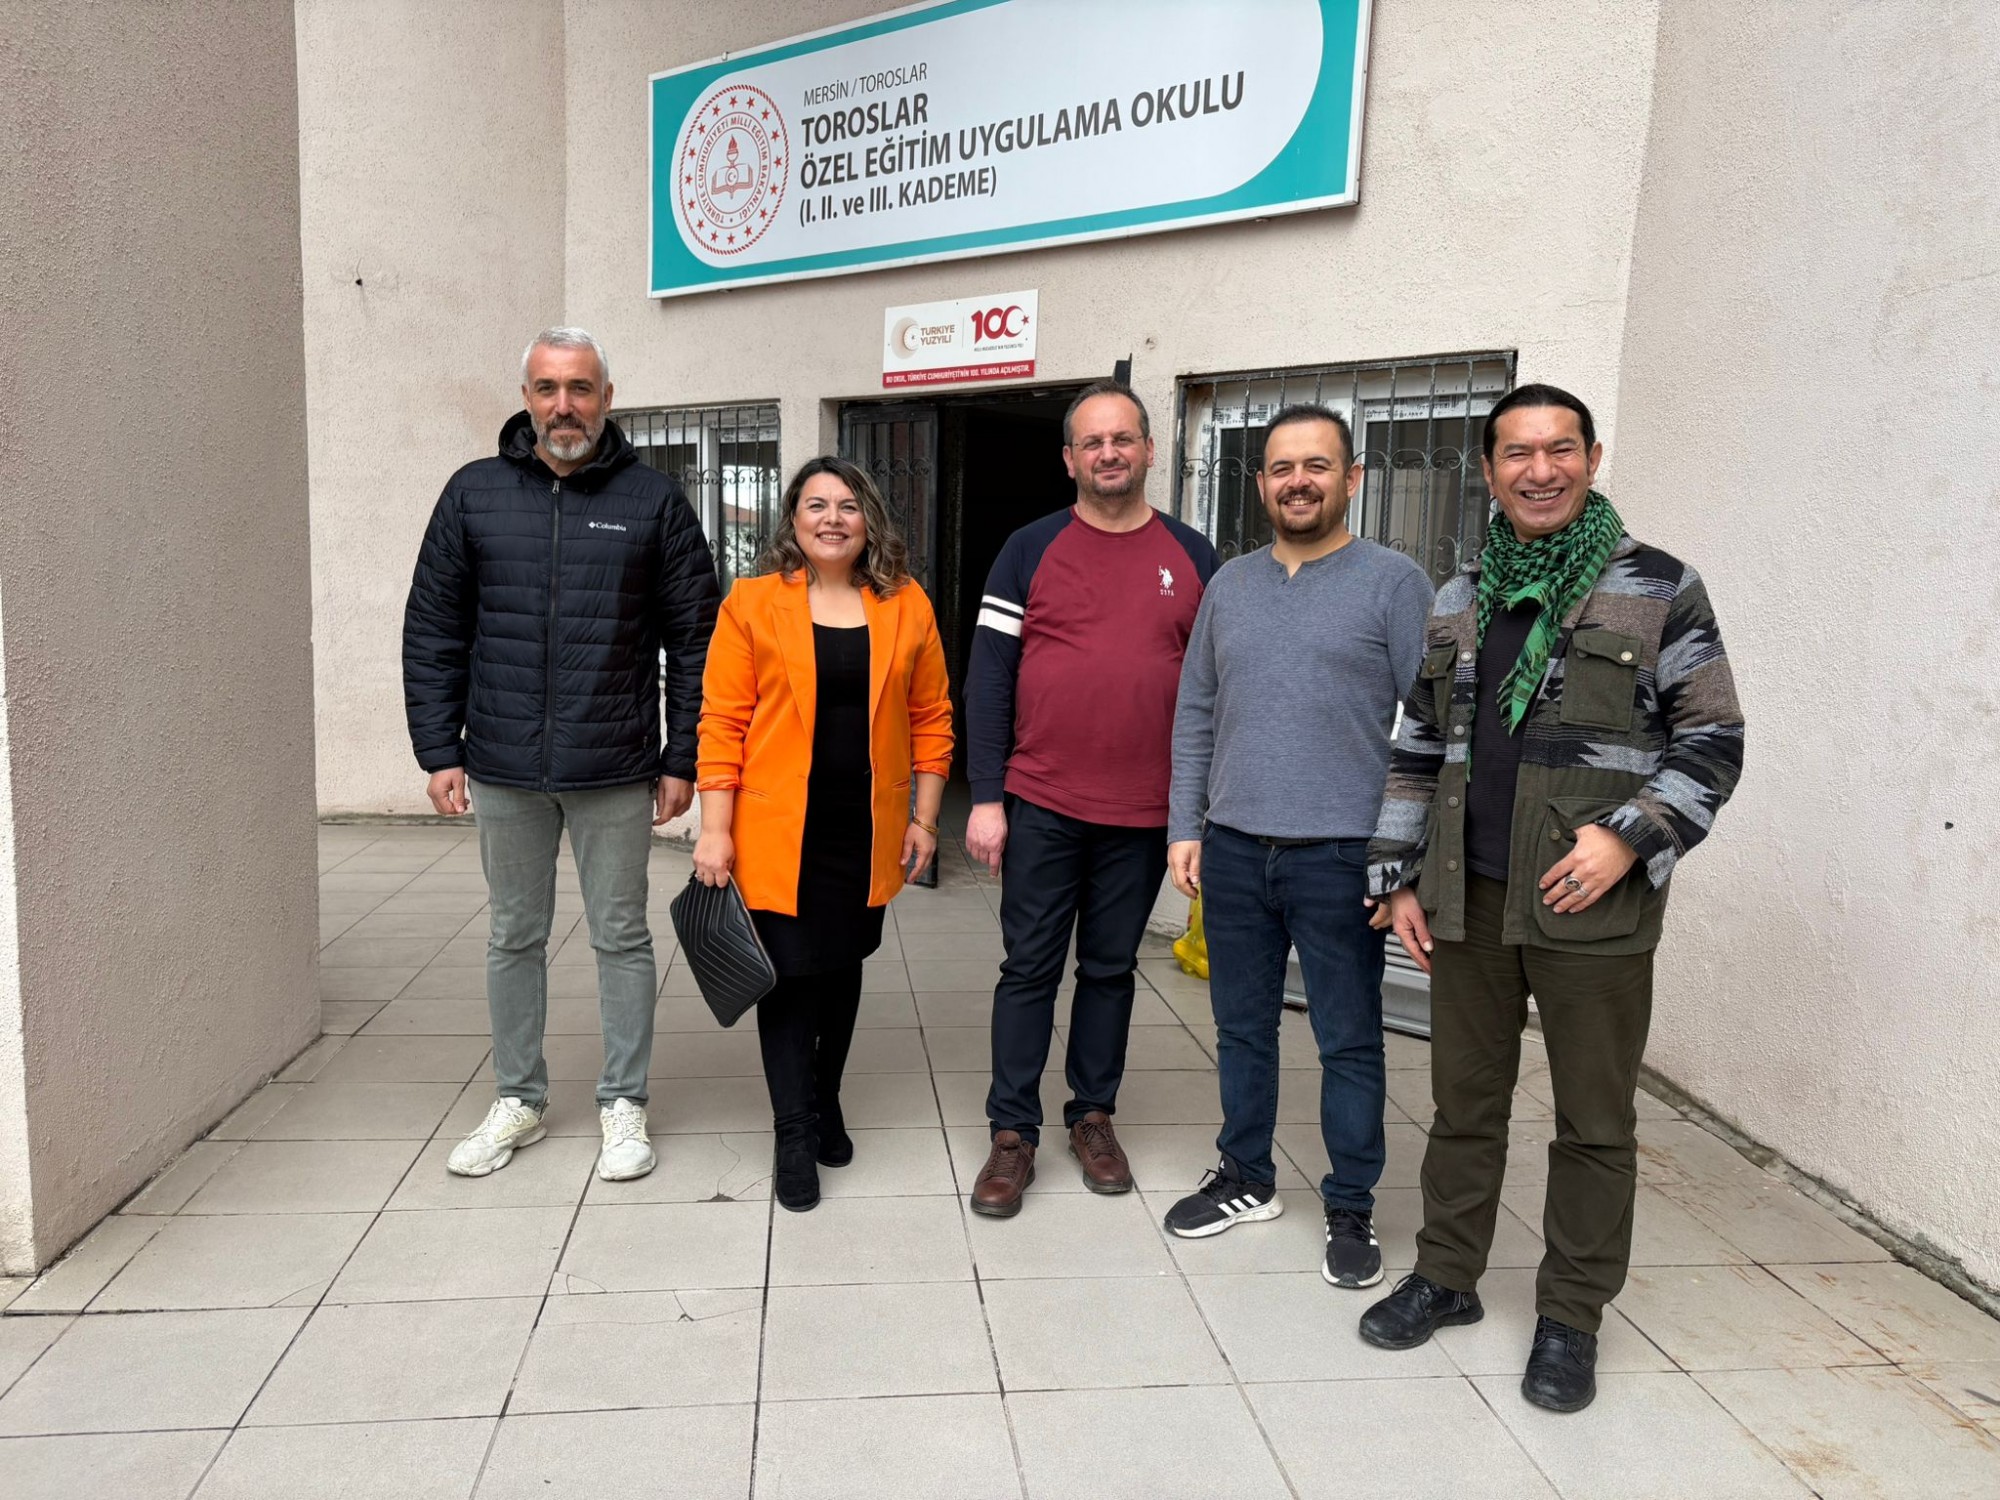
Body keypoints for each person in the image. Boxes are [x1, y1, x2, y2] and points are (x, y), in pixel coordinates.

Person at [1357, 384, 1744, 1413]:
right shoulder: (1460, 594)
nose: (1540, 471)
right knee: (1463, 1107)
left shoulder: (1658, 586)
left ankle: (1571, 1316)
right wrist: (1396, 875)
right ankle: (1447, 1276)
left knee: (1593, 1122)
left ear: (1591, 457)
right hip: (1467, 899)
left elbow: (1713, 739)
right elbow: (1417, 745)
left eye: (1560, 449)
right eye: (1517, 454)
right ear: (1488, 471)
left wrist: (1630, 837)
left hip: (1591, 905)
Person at [404, 326, 719, 1182]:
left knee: (621, 936)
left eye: (580, 388)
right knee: (513, 935)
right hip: (502, 764)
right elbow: (434, 628)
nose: (564, 405)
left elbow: (698, 638)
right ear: (526, 398)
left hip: (614, 764)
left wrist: (681, 756)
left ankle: (624, 1102)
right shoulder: (473, 494)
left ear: (607, 398)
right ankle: (520, 1097)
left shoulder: (653, 501)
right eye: (547, 388)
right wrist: (438, 748)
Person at [1162, 404, 1433, 1288]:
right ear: (1261, 483)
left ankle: (1351, 1205)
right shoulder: (1230, 585)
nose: (1299, 482)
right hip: (1236, 849)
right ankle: (1246, 1176)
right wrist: (1187, 825)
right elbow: (1196, 710)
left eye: (1317, 465)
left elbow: (1431, 729)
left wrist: (1400, 860)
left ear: (1351, 479)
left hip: (1341, 857)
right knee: (1241, 1030)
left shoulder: (1394, 583)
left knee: (1348, 1039)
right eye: (1282, 467)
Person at [964, 381, 1220, 1217]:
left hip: (1143, 813)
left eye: (1123, 438)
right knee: (1028, 969)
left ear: (1149, 449)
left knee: (1110, 970)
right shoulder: (1028, 549)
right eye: (1092, 442)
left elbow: (1216, 689)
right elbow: (989, 679)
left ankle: (1092, 1116)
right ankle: (1013, 1133)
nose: (1109, 453)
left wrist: (1195, 812)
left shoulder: (1195, 556)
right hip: (1042, 801)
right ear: (1070, 458)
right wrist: (987, 796)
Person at [692, 456, 952, 1212]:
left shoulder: (906, 604)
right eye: (816, 505)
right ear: (793, 520)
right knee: (789, 977)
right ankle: (794, 1131)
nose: (832, 519)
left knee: (841, 968)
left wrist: (925, 819)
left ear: (869, 519)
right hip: (776, 830)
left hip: (863, 830)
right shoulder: (751, 603)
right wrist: (714, 830)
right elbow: (722, 722)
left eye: (847, 505)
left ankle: (826, 1097)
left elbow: (933, 718)